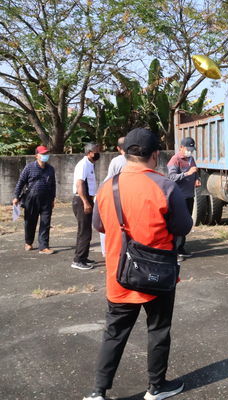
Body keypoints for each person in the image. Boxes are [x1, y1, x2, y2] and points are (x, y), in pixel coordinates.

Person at [85, 128, 192, 400]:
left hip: (118, 275)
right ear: (155, 154)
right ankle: (156, 387)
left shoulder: (108, 187)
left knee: (114, 333)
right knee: (158, 330)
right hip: (158, 275)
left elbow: (99, 225)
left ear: (125, 152)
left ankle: (99, 392)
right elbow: (183, 226)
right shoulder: (164, 185)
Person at [12, 145, 56, 254]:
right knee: (30, 222)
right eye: (43, 154)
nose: (45, 156)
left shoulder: (50, 169)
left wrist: (52, 198)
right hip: (31, 198)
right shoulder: (29, 167)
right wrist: (16, 197)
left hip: (46, 199)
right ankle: (28, 242)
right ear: (36, 156)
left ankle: (43, 246)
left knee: (45, 223)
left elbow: (53, 185)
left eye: (46, 154)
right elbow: (21, 182)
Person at [167, 137, 200, 261]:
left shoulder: (191, 159)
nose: (190, 152)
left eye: (192, 149)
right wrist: (187, 173)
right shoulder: (174, 160)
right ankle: (174, 251)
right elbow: (172, 177)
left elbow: (195, 172)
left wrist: (197, 178)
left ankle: (181, 248)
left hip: (189, 196)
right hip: (178, 197)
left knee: (186, 223)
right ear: (181, 147)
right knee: (177, 224)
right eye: (188, 149)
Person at [71, 143, 101, 270]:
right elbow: (80, 184)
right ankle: (78, 260)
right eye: (96, 151)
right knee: (84, 231)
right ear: (89, 153)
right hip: (81, 200)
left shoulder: (90, 164)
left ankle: (83, 257)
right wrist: (86, 202)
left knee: (86, 230)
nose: (98, 153)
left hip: (88, 199)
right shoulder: (83, 165)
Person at [100, 137, 127, 257]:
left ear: (118, 148)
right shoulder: (138, 160)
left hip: (115, 197)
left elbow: (109, 179)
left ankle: (107, 251)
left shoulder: (117, 161)